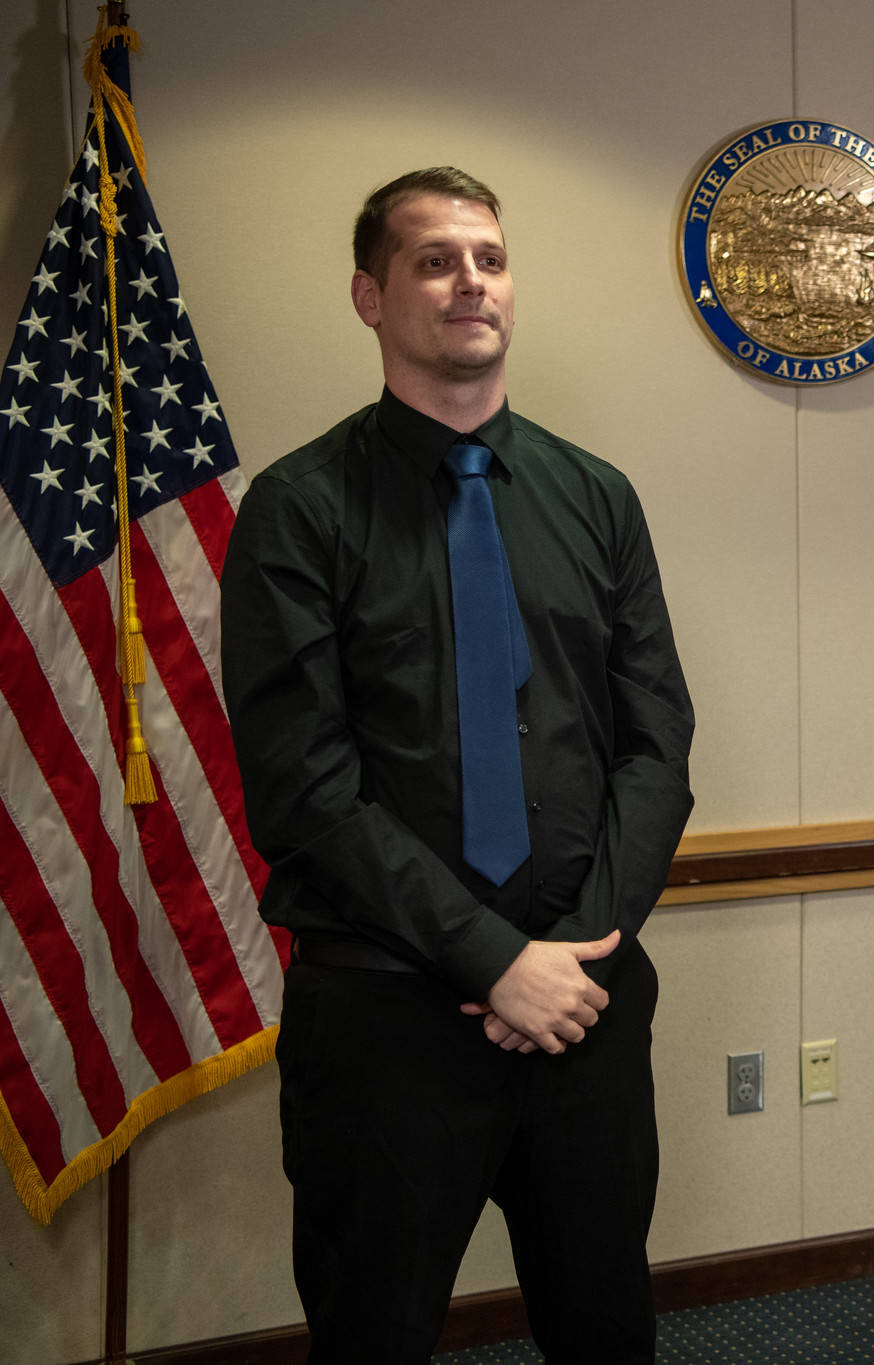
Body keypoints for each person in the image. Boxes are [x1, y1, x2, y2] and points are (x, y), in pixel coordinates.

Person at [221, 167, 695, 1360]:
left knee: (606, 1330)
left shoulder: (597, 498)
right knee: (372, 1335)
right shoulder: (298, 511)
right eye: (432, 260)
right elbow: (303, 788)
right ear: (369, 297)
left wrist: (576, 953)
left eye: (487, 256)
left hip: (585, 1007)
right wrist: (493, 962)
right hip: (386, 1023)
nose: (468, 281)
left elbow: (657, 745)